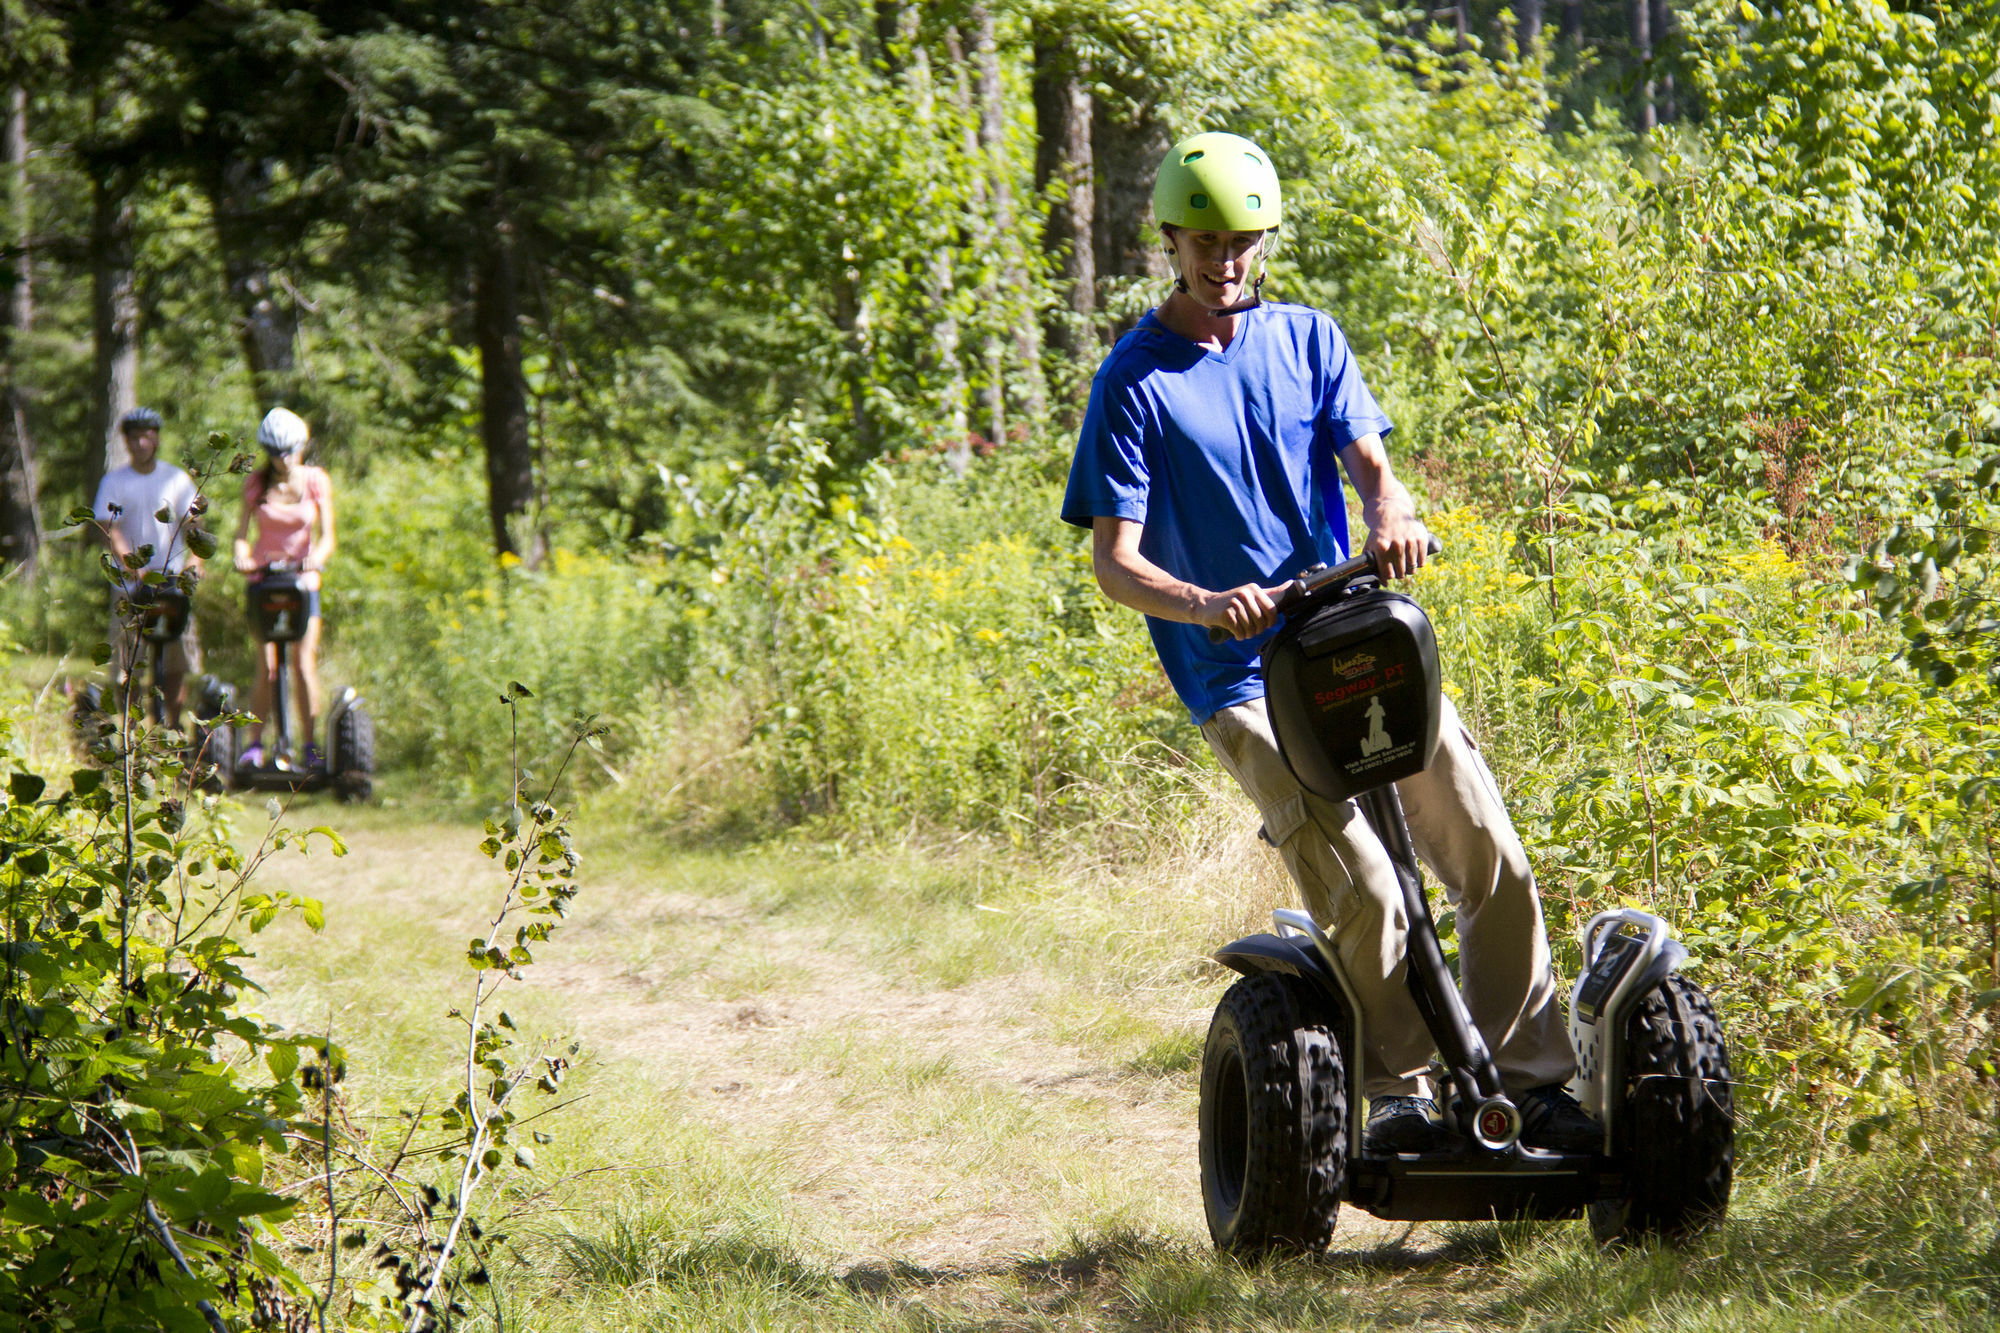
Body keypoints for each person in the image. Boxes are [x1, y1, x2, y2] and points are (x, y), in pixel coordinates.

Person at [1061, 131, 1599, 1154]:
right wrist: (1205, 600)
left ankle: (1530, 1084)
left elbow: (1371, 466)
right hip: (1239, 674)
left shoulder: (1307, 338)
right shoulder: (1132, 381)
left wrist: (1389, 513)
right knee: (1365, 889)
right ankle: (1393, 1096)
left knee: (1490, 851)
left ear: (1263, 241)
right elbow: (1113, 564)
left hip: (1350, 640)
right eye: (1205, 241)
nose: (1225, 261)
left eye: (1242, 241)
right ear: (1171, 239)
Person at [230, 406, 336, 769]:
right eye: (275, 453)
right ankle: (256, 744)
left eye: (288, 450)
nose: (282, 459)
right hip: (264, 581)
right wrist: (242, 558)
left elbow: (327, 537)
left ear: (301, 446)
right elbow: (241, 537)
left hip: (302, 583)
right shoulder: (257, 484)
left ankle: (309, 745)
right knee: (268, 667)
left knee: (303, 663)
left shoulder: (316, 480)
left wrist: (316, 559)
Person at [92, 406, 202, 727]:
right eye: (135, 436)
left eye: (147, 435)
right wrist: (130, 563)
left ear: (156, 438)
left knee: (177, 659)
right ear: (126, 441)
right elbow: (108, 528)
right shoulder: (115, 481)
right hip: (129, 586)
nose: (141, 443)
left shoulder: (176, 478)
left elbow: (194, 527)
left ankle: (172, 725)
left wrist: (194, 564)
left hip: (171, 582)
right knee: (127, 661)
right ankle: (132, 728)